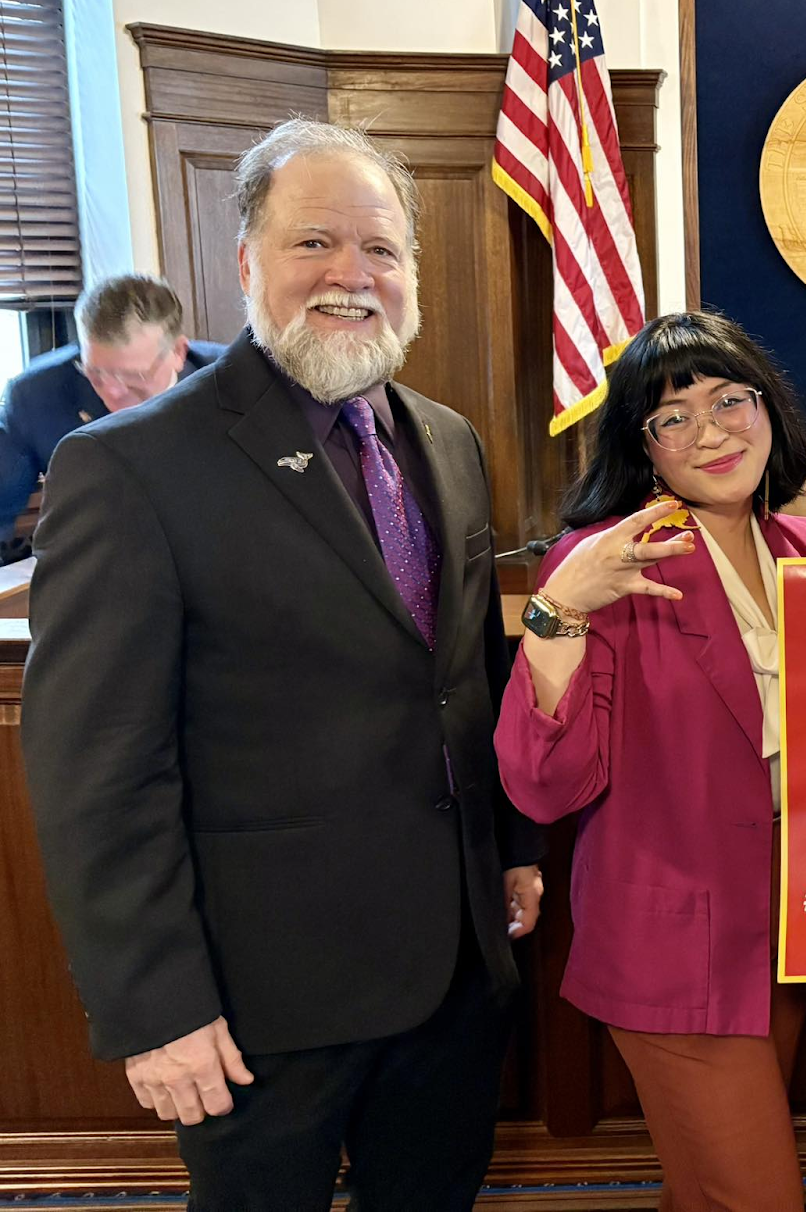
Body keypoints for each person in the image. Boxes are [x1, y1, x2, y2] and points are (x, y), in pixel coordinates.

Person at [22, 119, 545, 1212]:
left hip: (451, 968)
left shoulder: (447, 439)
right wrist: (155, 1004)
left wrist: (510, 847)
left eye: (382, 250)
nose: (352, 275)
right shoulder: (129, 467)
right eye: (315, 243)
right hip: (257, 999)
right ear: (248, 261)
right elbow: (97, 771)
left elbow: (462, 675)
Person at [495, 310, 806, 1212]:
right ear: (644, 450)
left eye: (731, 399)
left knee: (708, 1191)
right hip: (671, 943)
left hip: (792, 928)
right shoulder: (605, 563)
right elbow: (544, 782)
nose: (713, 430)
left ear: (771, 412)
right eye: (673, 416)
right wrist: (559, 609)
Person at [0, 274, 223, 549]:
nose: (112, 391)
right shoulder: (35, 395)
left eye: (133, 376)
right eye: (95, 372)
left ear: (177, 352)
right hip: (103, 556)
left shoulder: (231, 380)